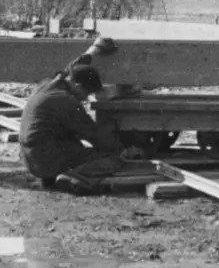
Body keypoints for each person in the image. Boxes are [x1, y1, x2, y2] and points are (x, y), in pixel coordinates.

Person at [18, 36, 142, 195]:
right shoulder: (66, 101)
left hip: (30, 157)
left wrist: (94, 50)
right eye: (86, 93)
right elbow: (95, 136)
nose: (85, 98)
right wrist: (123, 151)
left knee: (70, 142)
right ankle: (73, 177)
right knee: (111, 160)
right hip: (44, 159)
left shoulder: (51, 83)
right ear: (77, 85)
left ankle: (51, 174)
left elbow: (73, 66)